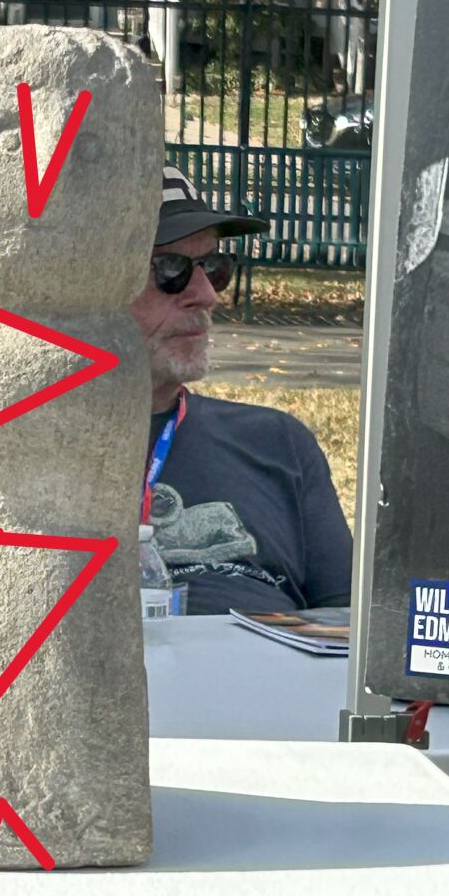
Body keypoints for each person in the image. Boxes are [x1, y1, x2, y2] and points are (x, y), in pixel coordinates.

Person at [128, 166, 353, 616]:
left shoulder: (277, 441)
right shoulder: (28, 453)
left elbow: (347, 623)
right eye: (170, 269)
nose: (206, 293)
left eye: (213, 266)